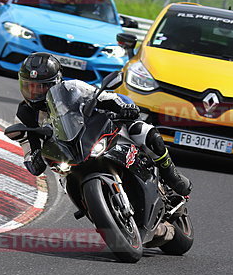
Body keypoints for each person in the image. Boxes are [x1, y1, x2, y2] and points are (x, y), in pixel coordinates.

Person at [15, 52, 192, 197]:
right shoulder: (24, 116)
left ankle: (172, 176)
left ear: (55, 82)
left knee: (144, 132)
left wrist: (124, 106)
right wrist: (33, 160)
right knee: (69, 187)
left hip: (95, 136)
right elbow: (28, 150)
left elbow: (103, 96)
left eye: (41, 87)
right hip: (68, 160)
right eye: (29, 86)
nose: (34, 92)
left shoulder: (72, 88)